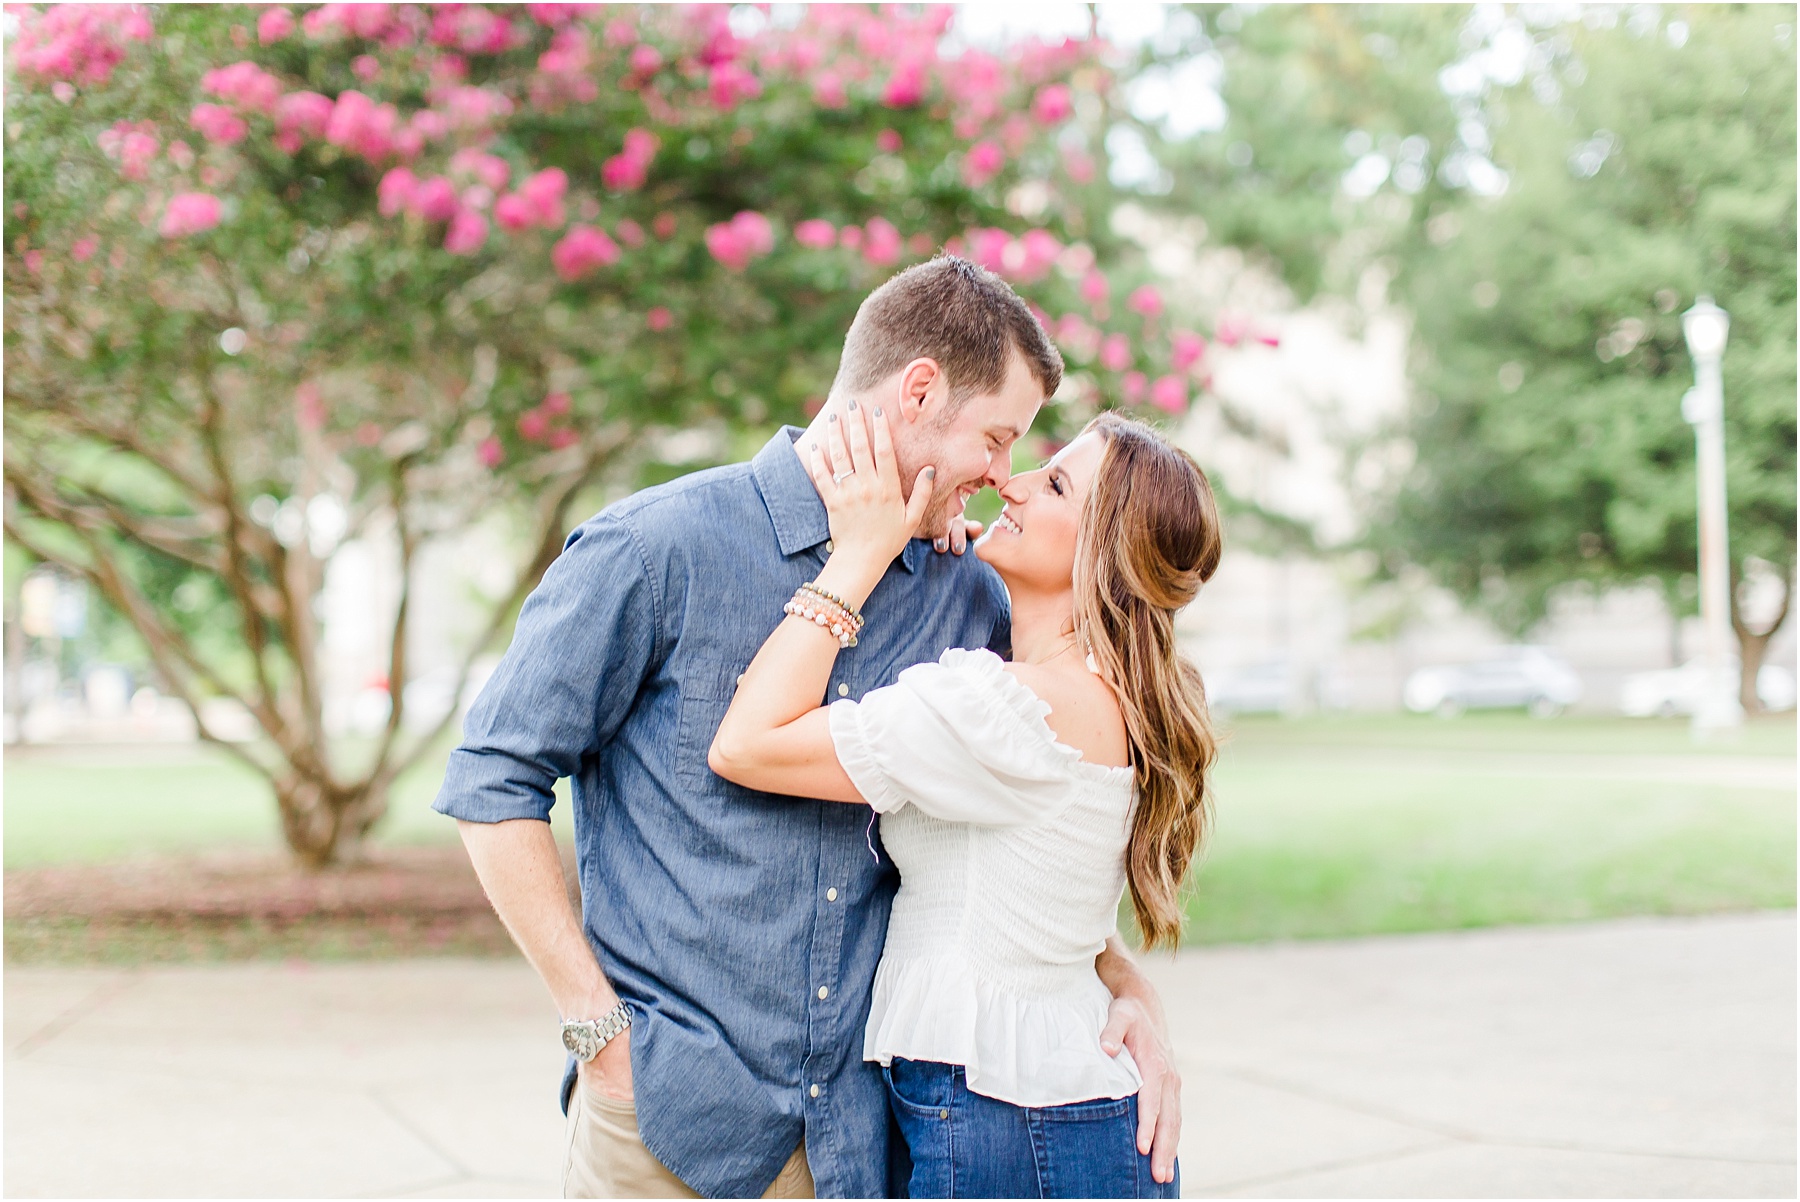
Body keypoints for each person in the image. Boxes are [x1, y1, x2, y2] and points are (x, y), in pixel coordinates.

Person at [433, 256, 1185, 1199]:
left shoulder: (970, 595)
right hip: (669, 1119)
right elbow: (490, 783)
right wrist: (596, 1033)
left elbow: (1028, 835)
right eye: (996, 438)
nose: (1001, 477)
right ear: (919, 391)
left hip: (865, 1141)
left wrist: (1126, 989)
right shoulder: (653, 549)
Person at [708, 404, 1221, 1198]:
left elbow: (746, 744)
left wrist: (859, 558)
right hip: (1033, 1110)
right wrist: (1135, 987)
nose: (1010, 484)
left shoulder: (1010, 708)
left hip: (1010, 1125)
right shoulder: (1084, 696)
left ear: (1102, 553)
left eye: (1053, 484)